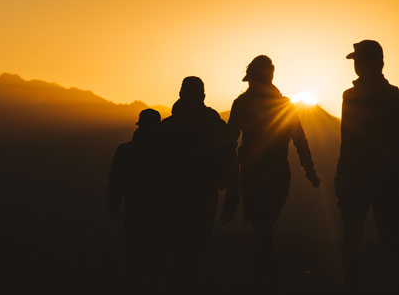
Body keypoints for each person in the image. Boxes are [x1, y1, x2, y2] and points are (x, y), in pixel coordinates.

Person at [227, 55, 320, 282]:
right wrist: (310, 171)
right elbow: (300, 140)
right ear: (270, 75)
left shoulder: (242, 104)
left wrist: (227, 177)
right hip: (277, 173)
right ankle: (268, 274)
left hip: (252, 174)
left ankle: (265, 275)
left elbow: (228, 141)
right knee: (264, 224)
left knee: (262, 226)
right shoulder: (283, 104)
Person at [161, 76, 236, 292]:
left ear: (180, 94)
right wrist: (232, 193)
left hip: (173, 200)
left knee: (178, 253)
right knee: (195, 252)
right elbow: (229, 159)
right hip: (202, 197)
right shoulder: (215, 125)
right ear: (203, 96)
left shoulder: (167, 127)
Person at [335, 40, 399, 290]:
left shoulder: (351, 96)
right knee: (389, 237)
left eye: (359, 60)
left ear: (376, 63)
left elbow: (347, 140)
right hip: (389, 177)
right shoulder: (394, 96)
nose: (357, 66)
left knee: (352, 237)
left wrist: (342, 176)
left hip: (357, 177)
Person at [106, 108, 164, 292]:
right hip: (160, 216)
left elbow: (114, 184)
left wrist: (115, 210)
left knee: (134, 262)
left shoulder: (125, 151)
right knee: (156, 266)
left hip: (134, 214)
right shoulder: (166, 153)